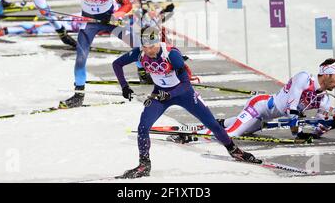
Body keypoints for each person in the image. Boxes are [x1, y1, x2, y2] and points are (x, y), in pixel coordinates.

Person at [112, 27, 261, 179]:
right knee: (143, 127)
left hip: (183, 94)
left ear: (158, 42)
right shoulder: (139, 53)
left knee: (212, 124)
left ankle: (234, 151)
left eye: (152, 46)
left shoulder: (172, 54)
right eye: (145, 47)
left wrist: (169, 94)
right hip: (160, 93)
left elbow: (185, 84)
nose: (149, 50)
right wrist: (125, 87)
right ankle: (144, 165)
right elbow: (116, 64)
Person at [174, 58, 335, 143]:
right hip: (259, 106)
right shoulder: (304, 78)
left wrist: (329, 124)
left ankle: (215, 123)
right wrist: (297, 134)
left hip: (264, 118)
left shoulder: (325, 100)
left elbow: (317, 131)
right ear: (326, 74)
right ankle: (188, 136)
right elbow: (291, 111)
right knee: (232, 135)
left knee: (237, 128)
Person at [56, 0, 139, 109]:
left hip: (110, 20)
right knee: (80, 59)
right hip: (89, 23)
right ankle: (78, 95)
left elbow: (127, 4)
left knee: (137, 44)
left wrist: (115, 16)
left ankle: (143, 71)